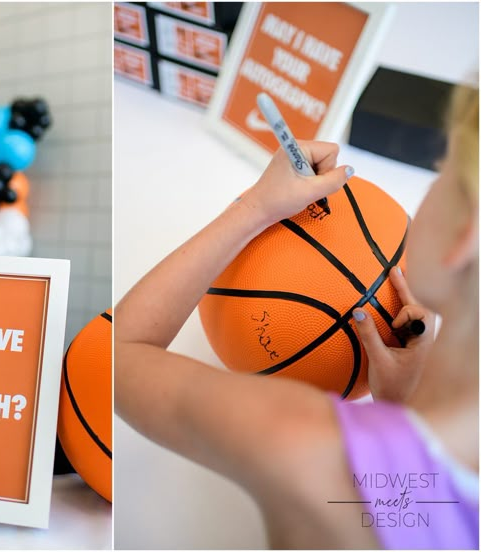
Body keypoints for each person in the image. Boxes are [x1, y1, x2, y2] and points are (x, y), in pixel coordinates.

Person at [115, 84, 478, 549]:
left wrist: (255, 208)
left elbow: (121, 354)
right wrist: (402, 412)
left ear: (462, 237)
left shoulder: (308, 447)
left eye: (440, 173)